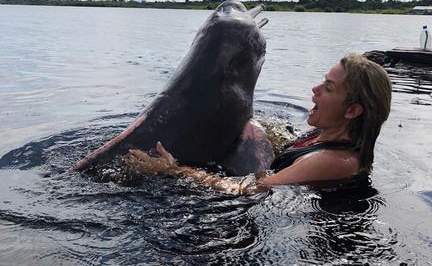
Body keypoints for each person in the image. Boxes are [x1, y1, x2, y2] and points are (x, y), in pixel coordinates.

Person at [125, 54, 392, 195]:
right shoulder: (320, 137)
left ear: (352, 110)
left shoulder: (333, 161)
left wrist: (173, 170)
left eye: (329, 88)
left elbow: (248, 190)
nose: (315, 89)